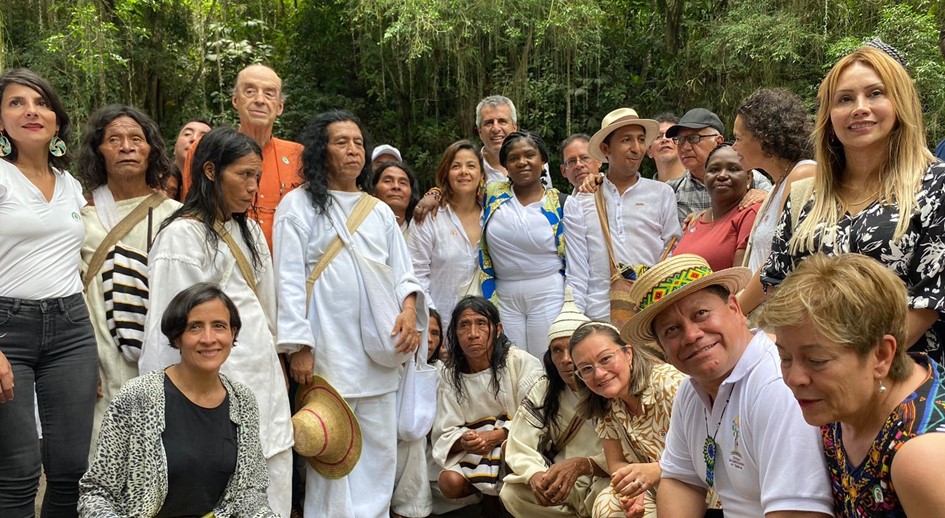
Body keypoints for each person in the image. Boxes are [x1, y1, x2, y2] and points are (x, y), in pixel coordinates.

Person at [273, 110, 426, 518]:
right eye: (341, 142)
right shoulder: (297, 205)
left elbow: (404, 273)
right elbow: (287, 278)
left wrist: (409, 311)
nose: (353, 150)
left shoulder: (378, 211)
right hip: (327, 348)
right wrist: (298, 346)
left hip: (379, 351)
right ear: (320, 151)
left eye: (358, 142)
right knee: (333, 448)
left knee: (378, 450)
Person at [139, 127, 293, 516]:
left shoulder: (251, 231)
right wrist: (169, 409)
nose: (253, 186)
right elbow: (168, 333)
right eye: (244, 174)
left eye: (257, 176)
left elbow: (268, 313)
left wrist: (278, 364)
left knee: (270, 480)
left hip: (263, 383)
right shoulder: (181, 236)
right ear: (210, 171)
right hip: (212, 392)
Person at [761, 45, 945, 366]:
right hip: (814, 380)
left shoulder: (935, 186)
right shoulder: (807, 195)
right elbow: (778, 284)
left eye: (875, 93)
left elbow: (926, 302)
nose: (860, 108)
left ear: (900, 103)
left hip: (903, 377)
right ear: (829, 116)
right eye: (845, 99)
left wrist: (848, 369)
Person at [623, 254, 832, 517]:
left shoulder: (776, 384)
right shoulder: (691, 391)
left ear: (735, 309)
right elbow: (681, 481)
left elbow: (799, 512)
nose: (691, 335)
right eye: (672, 330)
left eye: (701, 314)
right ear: (662, 348)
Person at [758, 253, 945, 516]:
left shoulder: (922, 457)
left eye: (817, 360)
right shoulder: (845, 401)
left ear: (881, 355)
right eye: (785, 358)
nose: (794, 378)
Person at [79, 283, 277, 517]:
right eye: (195, 327)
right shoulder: (138, 396)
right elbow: (96, 492)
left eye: (219, 326)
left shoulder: (242, 401)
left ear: (232, 333)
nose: (208, 338)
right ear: (177, 337)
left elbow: (250, 493)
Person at [0, 67, 98, 516]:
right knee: (19, 469)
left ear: (57, 119)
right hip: (7, 330)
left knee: (71, 468)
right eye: (16, 103)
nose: (31, 111)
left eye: (41, 103)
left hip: (71, 328)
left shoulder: (72, 185)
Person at [76, 104, 181, 455]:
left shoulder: (176, 218)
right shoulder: (80, 219)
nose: (126, 147)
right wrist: (81, 363)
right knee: (103, 461)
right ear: (99, 151)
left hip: (162, 364)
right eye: (114, 139)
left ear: (150, 149)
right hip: (101, 367)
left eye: (136, 138)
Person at [568, 321, 698, 518]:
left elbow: (708, 452)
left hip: (699, 488)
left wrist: (657, 470)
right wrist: (635, 487)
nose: (599, 374)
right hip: (656, 488)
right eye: (586, 369)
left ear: (628, 353)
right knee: (608, 504)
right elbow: (616, 462)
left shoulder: (669, 384)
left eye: (606, 359)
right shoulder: (609, 403)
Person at [501, 289, 610, 517]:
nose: (565, 359)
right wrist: (535, 474)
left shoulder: (609, 385)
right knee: (512, 492)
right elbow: (520, 441)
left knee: (611, 499)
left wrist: (585, 465)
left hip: (602, 477)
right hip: (561, 483)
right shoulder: (544, 389)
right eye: (557, 351)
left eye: (571, 349)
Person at [566, 108, 681, 322]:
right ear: (605, 149)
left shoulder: (662, 193)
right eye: (626, 140)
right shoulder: (583, 200)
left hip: (651, 313)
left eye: (641, 140)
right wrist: (575, 318)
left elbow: (672, 251)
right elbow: (577, 269)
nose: (636, 148)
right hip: (597, 315)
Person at [432, 296, 542, 512]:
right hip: (476, 454)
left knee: (510, 452)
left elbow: (537, 414)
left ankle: (507, 506)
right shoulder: (450, 376)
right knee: (449, 482)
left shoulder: (519, 362)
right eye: (464, 325)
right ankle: (487, 499)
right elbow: (444, 431)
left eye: (481, 323)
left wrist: (499, 435)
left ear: (498, 329)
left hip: (515, 441)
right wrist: (464, 441)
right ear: (455, 333)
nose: (473, 333)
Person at [181, 64, 303, 249]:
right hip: (222, 258)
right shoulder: (206, 148)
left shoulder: (298, 155)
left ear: (280, 107)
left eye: (269, 93)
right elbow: (193, 215)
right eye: (250, 91)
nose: (260, 100)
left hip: (285, 263)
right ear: (235, 100)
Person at [479, 130, 567, 356]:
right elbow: (457, 194)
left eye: (529, 155)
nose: (522, 162)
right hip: (503, 296)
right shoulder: (491, 195)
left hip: (549, 293)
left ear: (543, 160)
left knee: (547, 360)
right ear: (505, 166)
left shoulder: (560, 202)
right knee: (510, 362)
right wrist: (434, 194)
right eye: (513, 158)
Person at [413, 95, 550, 220]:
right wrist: (435, 194)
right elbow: (450, 192)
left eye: (502, 121)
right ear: (479, 131)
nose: (496, 129)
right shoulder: (472, 168)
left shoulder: (535, 165)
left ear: (515, 127)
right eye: (489, 123)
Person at [407, 139, 484, 330]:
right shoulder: (429, 218)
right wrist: (433, 325)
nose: (464, 171)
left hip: (484, 329)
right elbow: (416, 275)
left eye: (471, 166)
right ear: (446, 174)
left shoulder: (493, 216)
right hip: (438, 325)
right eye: (456, 166)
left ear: (482, 174)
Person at [665, 108, 771, 225]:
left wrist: (766, 196)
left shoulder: (753, 179)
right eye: (680, 140)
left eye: (694, 138)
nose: (685, 147)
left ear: (718, 141)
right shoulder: (672, 190)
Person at [672, 144, 760, 270]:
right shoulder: (694, 220)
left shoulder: (750, 214)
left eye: (733, 169)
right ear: (704, 177)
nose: (722, 175)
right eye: (714, 170)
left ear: (749, 178)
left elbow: (741, 276)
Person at [372, 159, 420, 234]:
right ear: (374, 190)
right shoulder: (363, 225)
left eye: (403, 183)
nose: (396, 186)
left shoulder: (422, 228)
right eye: (388, 181)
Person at [647, 113, 686, 182]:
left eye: (671, 135)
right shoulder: (644, 189)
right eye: (658, 136)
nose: (664, 139)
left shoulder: (703, 185)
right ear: (649, 151)